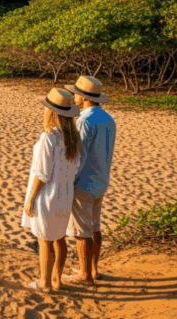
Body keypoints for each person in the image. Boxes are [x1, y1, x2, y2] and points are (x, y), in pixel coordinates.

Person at [22, 88, 81, 292]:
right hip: (65, 194)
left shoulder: (49, 137)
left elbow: (42, 173)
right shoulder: (72, 138)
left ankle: (45, 283)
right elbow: (75, 168)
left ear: (52, 112)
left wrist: (31, 198)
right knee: (59, 238)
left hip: (48, 195)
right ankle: (57, 279)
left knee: (45, 241)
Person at [64, 76, 116, 285]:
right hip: (101, 179)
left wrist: (69, 181)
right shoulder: (108, 119)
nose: (74, 97)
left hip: (85, 182)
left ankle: (85, 275)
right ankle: (93, 269)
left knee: (81, 231)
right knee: (95, 226)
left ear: (84, 97)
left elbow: (80, 155)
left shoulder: (85, 120)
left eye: (76, 94)